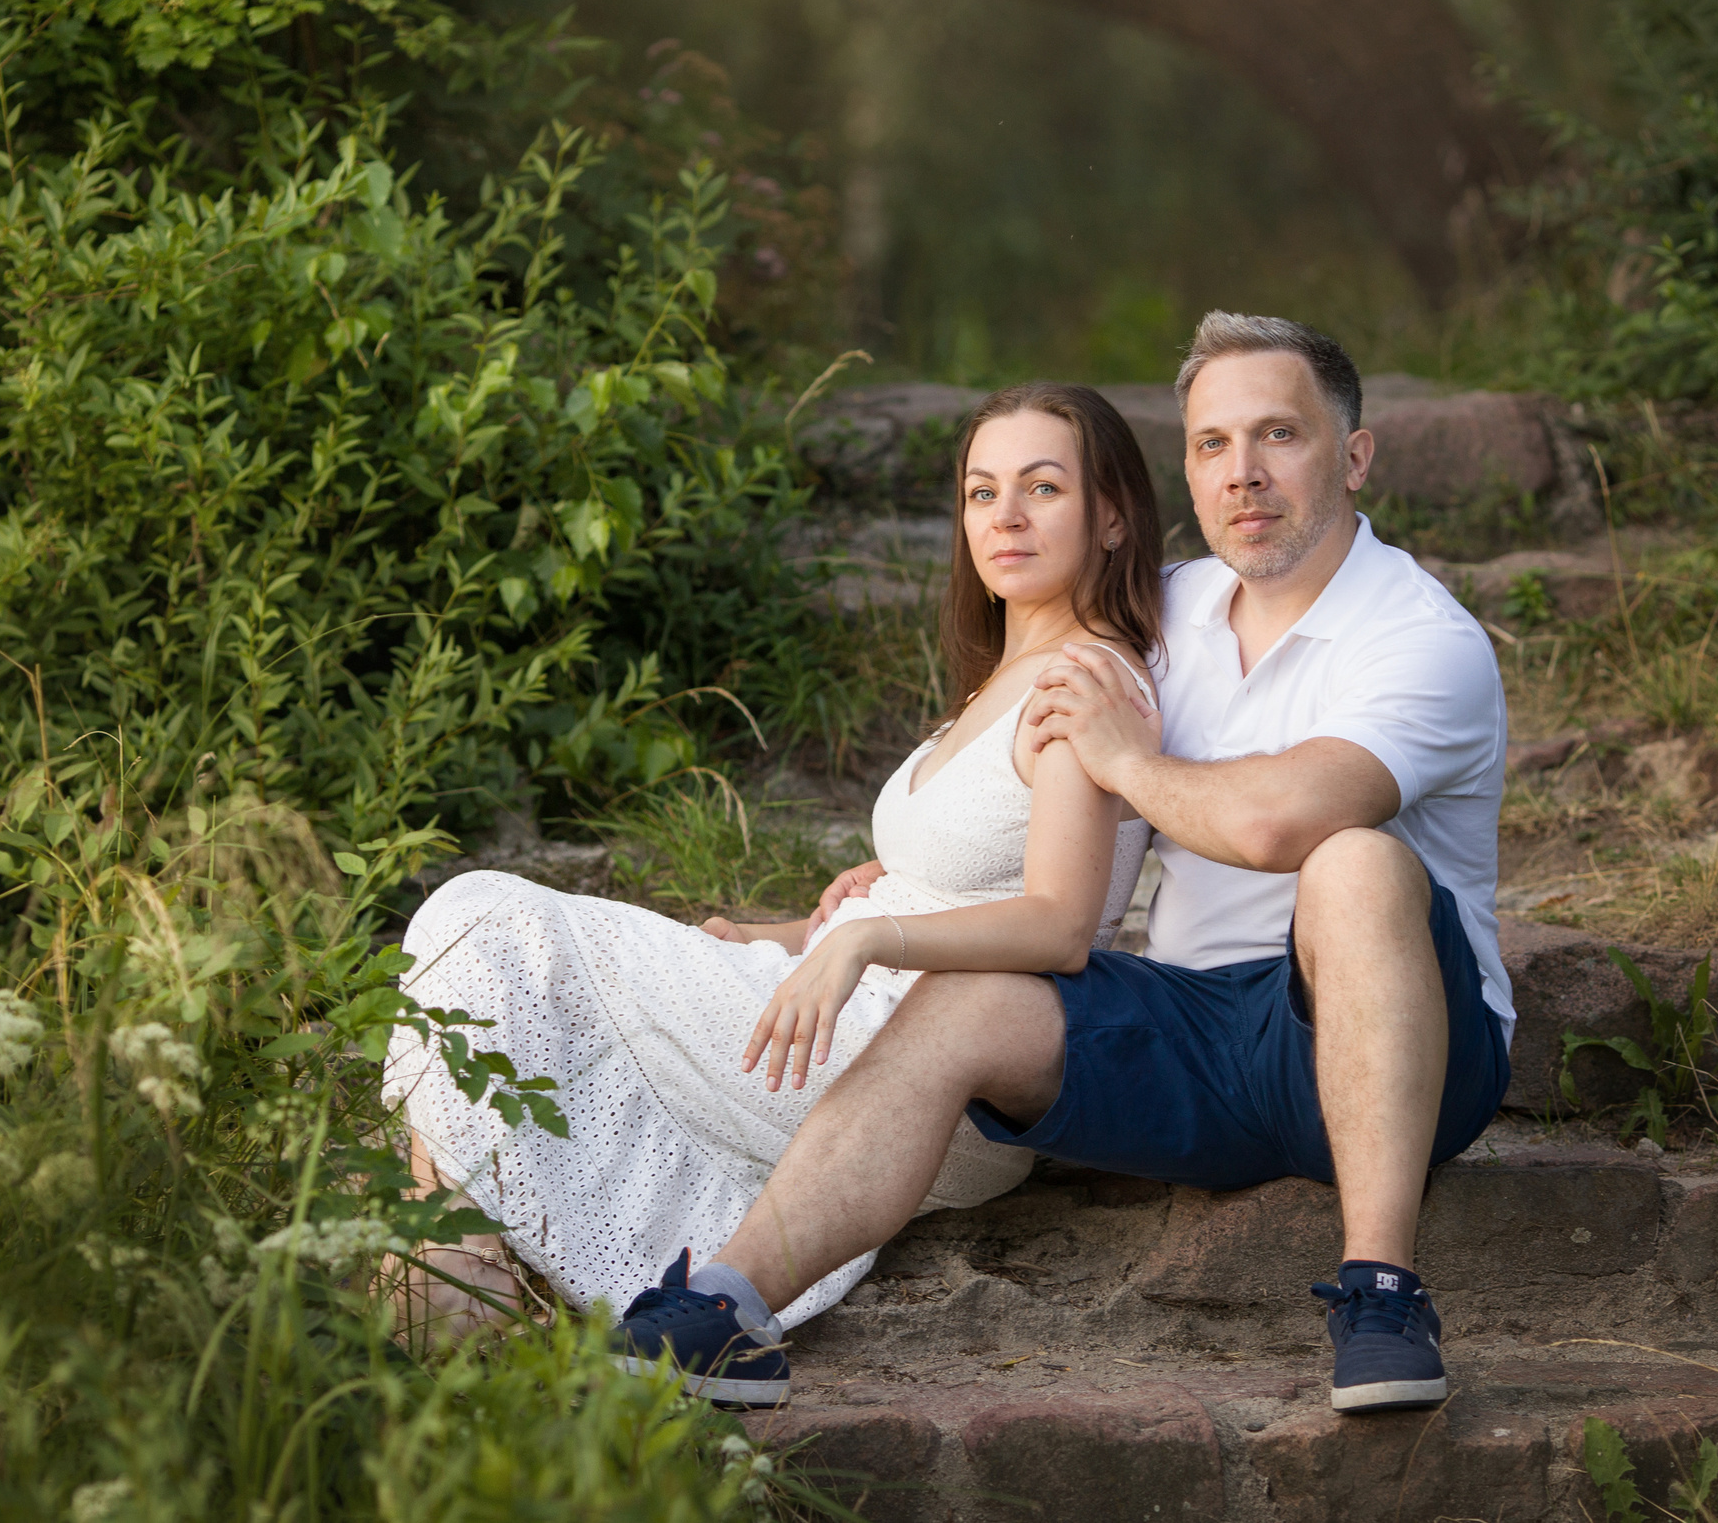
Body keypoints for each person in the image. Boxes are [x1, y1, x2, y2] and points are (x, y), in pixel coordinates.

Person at [613, 312, 1512, 1415]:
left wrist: (1127, 759)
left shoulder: (1420, 637)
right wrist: (893, 888)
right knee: (964, 999)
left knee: (1353, 863)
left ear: (1355, 454)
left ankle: (1382, 1293)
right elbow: (1030, 724)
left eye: (1279, 434)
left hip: (1397, 1033)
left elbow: (1279, 825)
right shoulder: (1175, 606)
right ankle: (726, 1305)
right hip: (1201, 1031)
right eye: (1212, 443)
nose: (1243, 472)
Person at [382, 382, 1166, 1365]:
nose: (1004, 515)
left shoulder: (1084, 682)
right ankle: (455, 1250)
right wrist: (784, 934)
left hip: (916, 1055)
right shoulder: (1000, 679)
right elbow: (945, 883)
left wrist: (868, 937)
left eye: (1042, 487)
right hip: (853, 1007)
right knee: (497, 950)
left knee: (477, 916)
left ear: (1112, 516)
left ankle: (445, 1265)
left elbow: (1058, 922)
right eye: (981, 491)